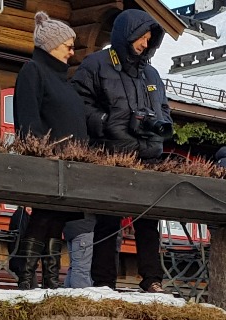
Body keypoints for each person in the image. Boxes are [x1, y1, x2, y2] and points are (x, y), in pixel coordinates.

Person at [73, 9, 171, 293]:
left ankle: (152, 280)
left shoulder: (151, 73)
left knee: (149, 220)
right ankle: (103, 283)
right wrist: (104, 122)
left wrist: (162, 123)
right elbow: (79, 103)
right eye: (141, 37)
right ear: (126, 34)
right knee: (108, 220)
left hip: (148, 156)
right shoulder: (96, 64)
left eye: (149, 38)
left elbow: (163, 108)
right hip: (111, 154)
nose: (144, 43)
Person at [12, 11, 87, 290]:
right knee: (42, 219)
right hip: (47, 164)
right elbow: (28, 119)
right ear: (50, 45)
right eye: (67, 44)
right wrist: (41, 156)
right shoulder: (33, 70)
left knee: (57, 222)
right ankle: (27, 279)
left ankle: (52, 281)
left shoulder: (63, 80)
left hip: (68, 166)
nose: (72, 50)